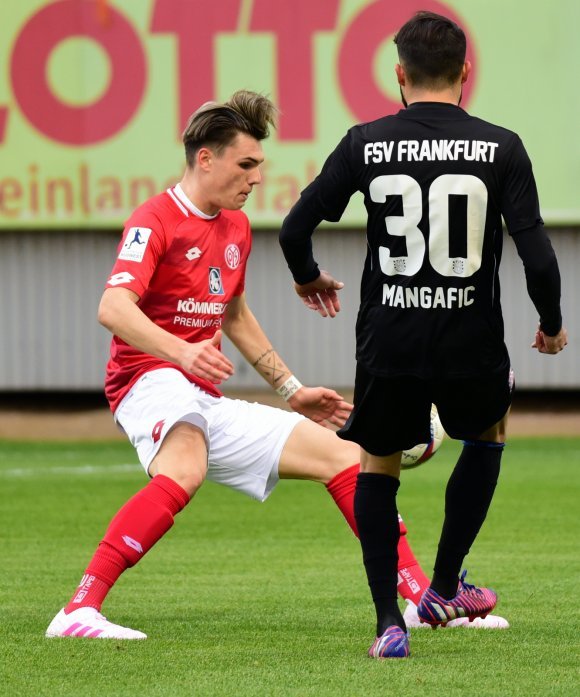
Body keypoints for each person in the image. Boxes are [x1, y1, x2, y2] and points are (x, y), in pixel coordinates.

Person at [45, 90, 506, 641]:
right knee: (184, 470)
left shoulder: (234, 227)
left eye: (260, 166)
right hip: (148, 380)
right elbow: (112, 307)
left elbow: (235, 313)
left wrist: (291, 388)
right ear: (205, 158)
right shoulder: (155, 219)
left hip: (199, 391)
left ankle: (417, 597)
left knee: (342, 456)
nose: (256, 178)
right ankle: (78, 609)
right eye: (246, 164)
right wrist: (181, 350)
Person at [279, 12, 567, 659]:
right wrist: (549, 323)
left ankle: (389, 621)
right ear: (466, 73)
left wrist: (308, 277)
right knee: (487, 434)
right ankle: (441, 585)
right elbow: (539, 256)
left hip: (391, 337)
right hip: (470, 336)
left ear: (399, 74)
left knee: (378, 463)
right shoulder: (502, 146)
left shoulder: (366, 143)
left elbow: (295, 228)